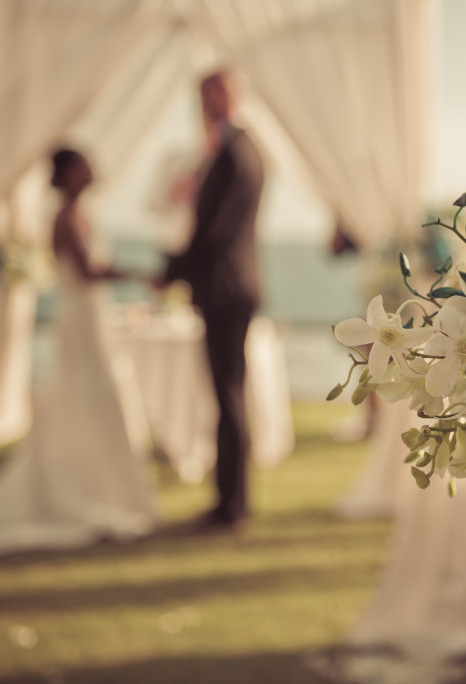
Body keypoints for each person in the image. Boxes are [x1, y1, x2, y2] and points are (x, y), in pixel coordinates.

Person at [0, 149, 158, 558]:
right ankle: (82, 485)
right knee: (88, 394)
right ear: (68, 174)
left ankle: (106, 485)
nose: (92, 170)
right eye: (83, 165)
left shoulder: (82, 215)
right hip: (81, 318)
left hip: (93, 316)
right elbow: (88, 271)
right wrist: (141, 274)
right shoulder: (64, 219)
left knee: (100, 397)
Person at [163, 71, 265, 530]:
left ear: (225, 96)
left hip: (225, 287)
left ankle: (232, 505)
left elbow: (215, 230)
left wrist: (170, 270)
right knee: (229, 395)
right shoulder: (237, 149)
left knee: (228, 395)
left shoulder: (233, 152)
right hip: (232, 284)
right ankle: (230, 499)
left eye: (206, 95)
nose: (201, 105)